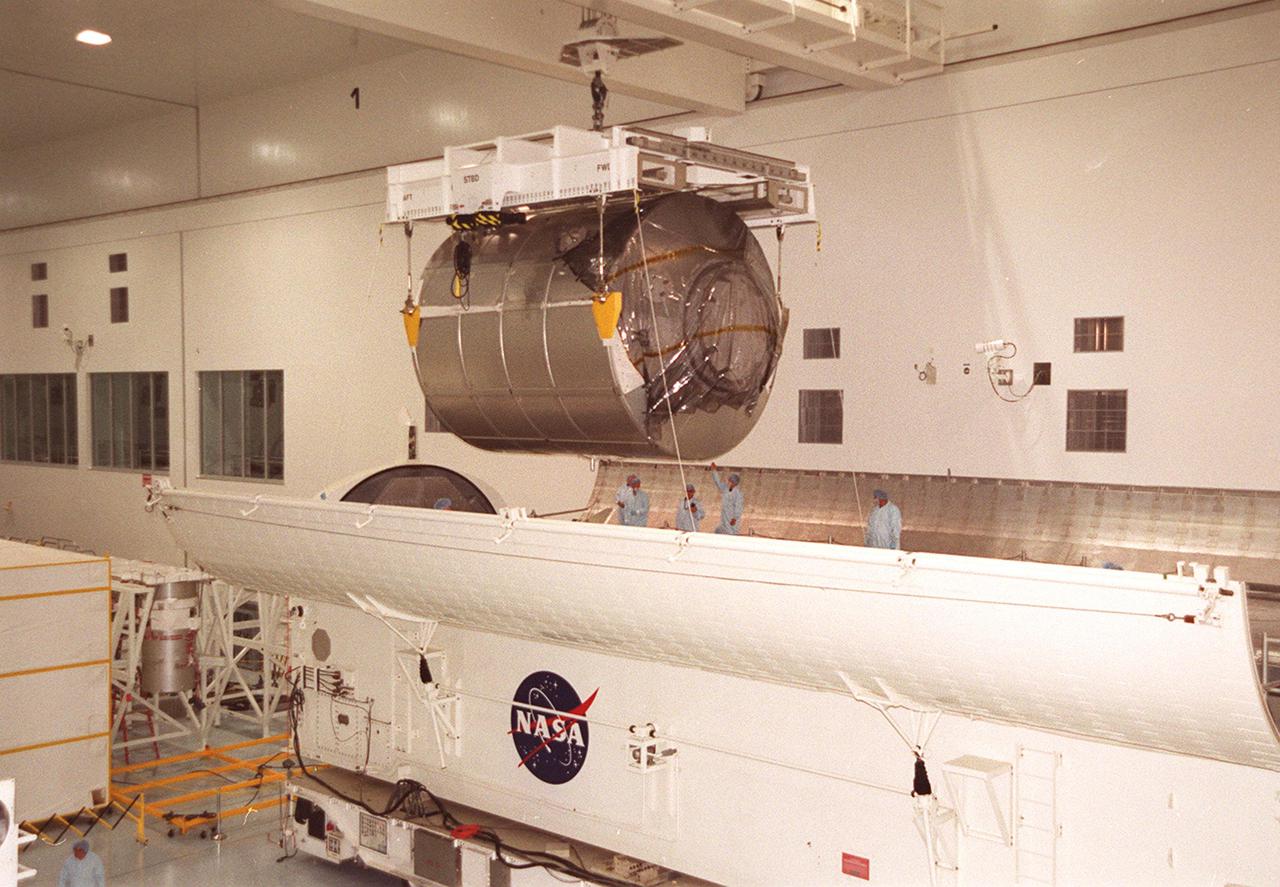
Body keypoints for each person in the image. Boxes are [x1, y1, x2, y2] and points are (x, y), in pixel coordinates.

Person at [709, 463, 743, 535]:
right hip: (724, 517)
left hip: (732, 519)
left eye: (730, 481)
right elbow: (717, 482)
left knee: (731, 533)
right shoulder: (725, 488)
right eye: (729, 480)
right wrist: (714, 471)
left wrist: (734, 518)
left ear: (734, 483)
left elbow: (739, 507)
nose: (728, 482)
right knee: (718, 531)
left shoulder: (738, 494)